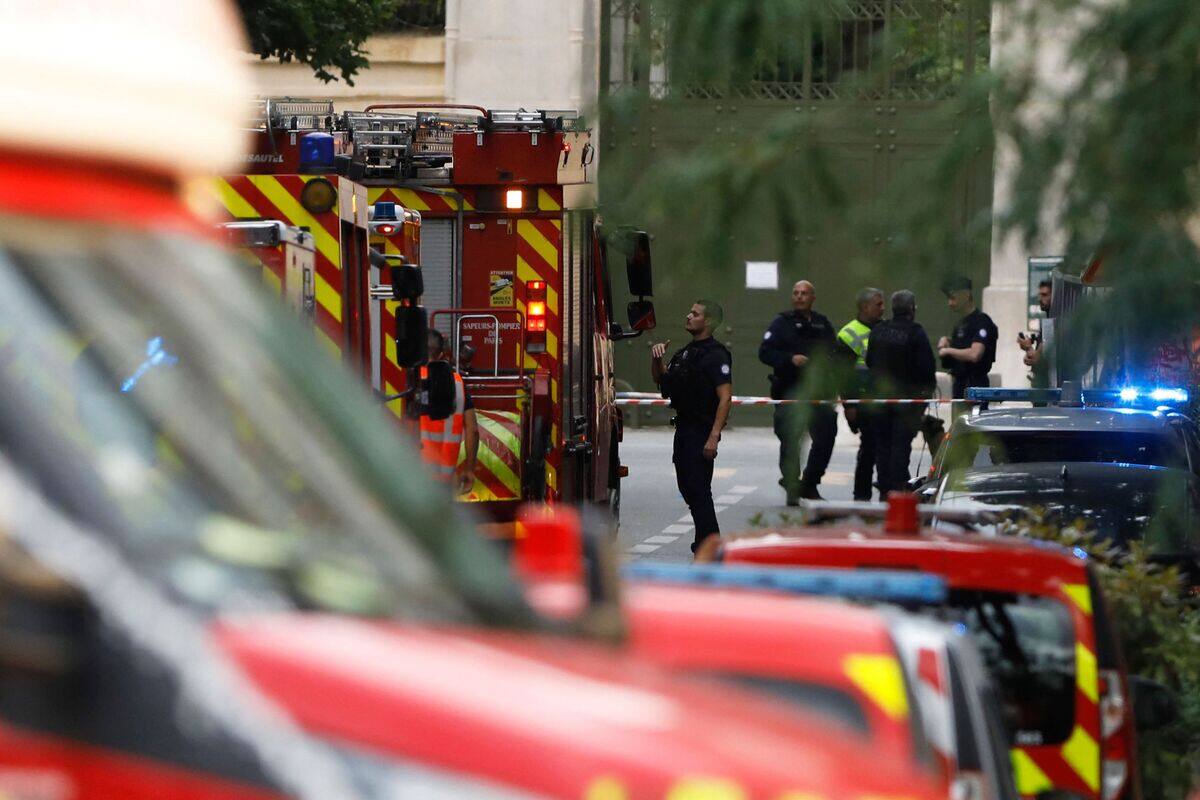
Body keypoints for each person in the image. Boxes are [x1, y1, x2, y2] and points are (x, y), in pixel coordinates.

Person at [650, 300, 732, 554]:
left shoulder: (716, 354)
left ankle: (710, 546)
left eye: (695, 314)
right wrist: (657, 359)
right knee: (689, 489)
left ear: (709, 321)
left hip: (701, 429)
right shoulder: (685, 353)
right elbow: (663, 382)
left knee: (698, 490)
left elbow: (725, 398)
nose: (688, 316)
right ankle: (704, 542)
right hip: (684, 428)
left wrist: (714, 436)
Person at [758, 280, 837, 504]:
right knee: (790, 439)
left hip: (818, 391)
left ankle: (810, 483)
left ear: (813, 297)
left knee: (826, 436)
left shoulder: (822, 324)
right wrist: (789, 359)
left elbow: (834, 352)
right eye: (796, 293)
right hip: (789, 390)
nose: (800, 296)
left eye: (804, 293)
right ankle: (792, 484)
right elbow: (765, 352)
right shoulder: (781, 323)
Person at [867, 291, 936, 494]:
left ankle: (885, 489)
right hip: (907, 403)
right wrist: (924, 398)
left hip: (880, 400)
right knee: (900, 447)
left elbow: (870, 361)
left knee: (883, 447)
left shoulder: (878, 330)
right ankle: (898, 490)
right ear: (912, 309)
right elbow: (927, 368)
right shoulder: (915, 332)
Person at [834, 288, 885, 501]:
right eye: (878, 304)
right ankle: (861, 496)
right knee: (869, 449)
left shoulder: (885, 329)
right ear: (865, 307)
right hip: (863, 400)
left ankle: (886, 492)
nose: (883, 308)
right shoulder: (848, 334)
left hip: (884, 398)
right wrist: (849, 405)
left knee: (885, 449)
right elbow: (843, 375)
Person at [419, 329, 478, 494]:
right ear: (441, 354)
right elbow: (473, 430)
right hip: (445, 482)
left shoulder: (410, 381)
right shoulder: (458, 383)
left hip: (413, 478)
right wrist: (469, 469)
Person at [937, 276, 997, 406]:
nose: (950, 303)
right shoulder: (960, 323)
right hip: (959, 385)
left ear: (966, 295)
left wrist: (948, 350)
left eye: (953, 298)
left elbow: (975, 354)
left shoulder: (982, 321)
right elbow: (964, 345)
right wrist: (948, 341)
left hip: (975, 387)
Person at [1017, 279, 1051, 388]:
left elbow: (1039, 358)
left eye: (1044, 295)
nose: (1040, 299)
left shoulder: (1054, 324)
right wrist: (1029, 351)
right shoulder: (1047, 322)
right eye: (1040, 295)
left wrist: (1028, 347)